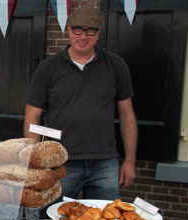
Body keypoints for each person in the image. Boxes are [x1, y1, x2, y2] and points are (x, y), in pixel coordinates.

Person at [23, 5, 137, 200]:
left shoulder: (116, 66)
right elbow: (32, 116)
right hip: (60, 163)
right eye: (78, 29)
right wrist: (36, 162)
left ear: (99, 32)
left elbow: (127, 115)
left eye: (90, 30)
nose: (83, 36)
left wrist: (130, 161)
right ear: (68, 29)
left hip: (105, 162)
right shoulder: (48, 68)